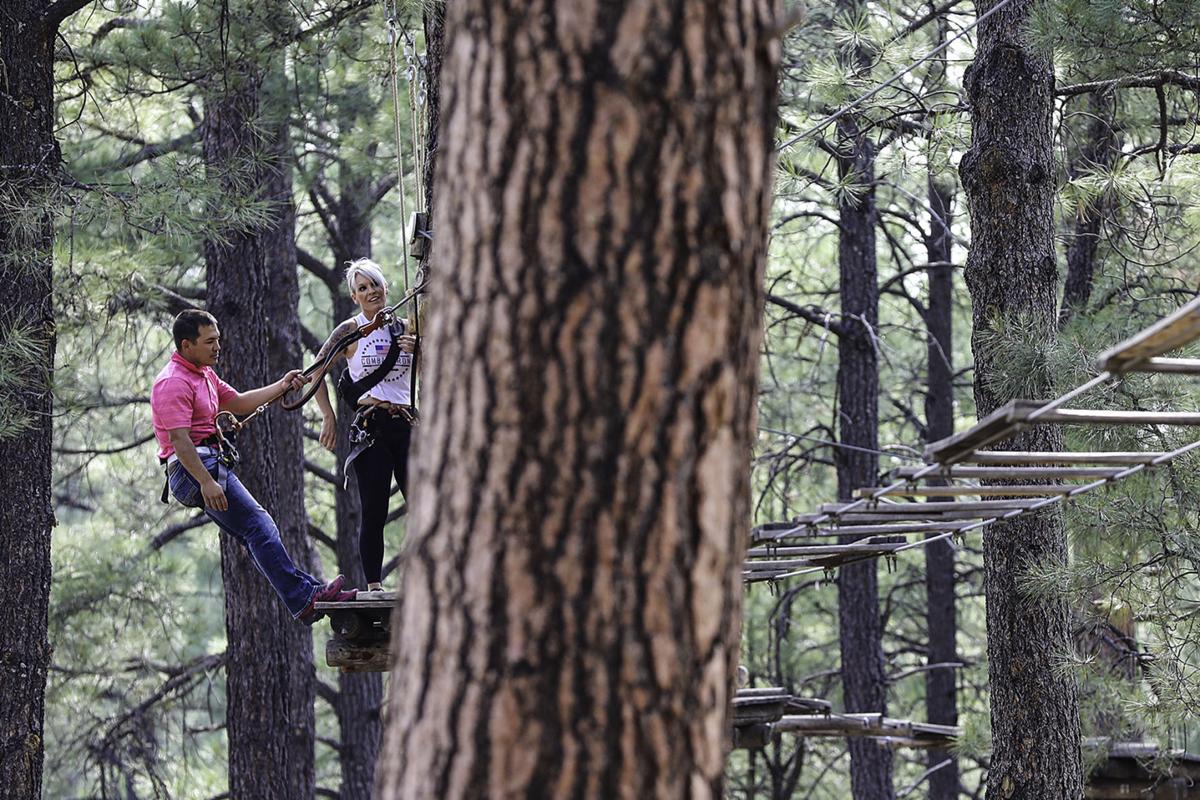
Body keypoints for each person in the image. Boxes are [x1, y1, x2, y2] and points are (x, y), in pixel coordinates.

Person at [151, 309, 356, 624]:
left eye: (218, 339)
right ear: (186, 345)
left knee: (257, 530)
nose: (217, 346)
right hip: (192, 470)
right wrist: (206, 482)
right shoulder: (172, 383)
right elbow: (179, 440)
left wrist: (283, 385)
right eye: (209, 342)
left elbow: (238, 402)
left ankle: (311, 595)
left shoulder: (203, 374)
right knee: (259, 526)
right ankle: (306, 599)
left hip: (204, 463)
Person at [313, 259, 416, 592]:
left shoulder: (407, 327)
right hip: (372, 427)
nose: (370, 292)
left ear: (386, 288)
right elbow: (315, 371)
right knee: (374, 508)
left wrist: (421, 350)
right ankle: (374, 585)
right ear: (354, 296)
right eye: (362, 288)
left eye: (374, 285)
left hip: (406, 422)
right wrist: (328, 415)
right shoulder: (350, 330)